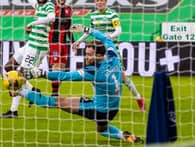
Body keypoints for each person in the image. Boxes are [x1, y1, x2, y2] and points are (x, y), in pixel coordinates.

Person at [8, 27, 144, 144]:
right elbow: (105, 38)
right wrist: (86, 30)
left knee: (56, 101)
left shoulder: (94, 71)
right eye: (86, 54)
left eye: (90, 55)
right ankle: (126, 136)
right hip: (113, 108)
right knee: (102, 130)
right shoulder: (113, 57)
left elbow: (66, 76)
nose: (87, 58)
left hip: (98, 109)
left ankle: (19, 91)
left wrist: (41, 73)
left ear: (99, 55)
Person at [72, 0, 145, 112]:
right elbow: (90, 31)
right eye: (97, 1)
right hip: (98, 52)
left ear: (106, 2)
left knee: (123, 78)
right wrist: (79, 41)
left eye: (101, 0)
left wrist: (109, 37)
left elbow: (119, 30)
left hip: (111, 51)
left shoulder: (112, 14)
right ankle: (97, 100)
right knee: (93, 75)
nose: (99, 2)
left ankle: (138, 98)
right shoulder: (93, 15)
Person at [0, 0, 55, 118]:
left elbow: (52, 18)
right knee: (9, 66)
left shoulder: (50, 6)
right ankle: (33, 90)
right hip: (30, 44)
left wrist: (32, 24)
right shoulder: (37, 5)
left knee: (19, 76)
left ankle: (13, 111)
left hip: (38, 47)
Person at [48, 0, 73, 96]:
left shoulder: (69, 9)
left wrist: (73, 41)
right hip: (54, 42)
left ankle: (56, 92)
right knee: (56, 67)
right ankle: (53, 94)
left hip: (64, 43)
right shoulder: (51, 9)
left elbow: (68, 27)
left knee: (62, 68)